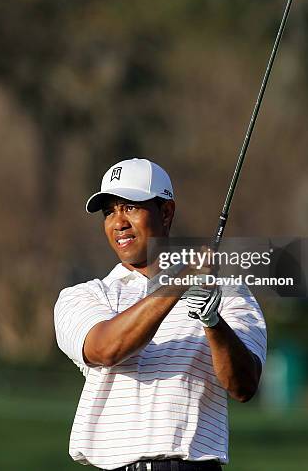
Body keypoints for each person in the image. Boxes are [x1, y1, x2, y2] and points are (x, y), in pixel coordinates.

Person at [54, 158, 267, 471]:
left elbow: (243, 386)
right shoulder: (83, 296)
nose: (118, 222)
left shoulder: (228, 291)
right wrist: (179, 283)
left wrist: (213, 321)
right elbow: (106, 348)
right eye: (109, 211)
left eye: (130, 207)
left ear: (165, 213)